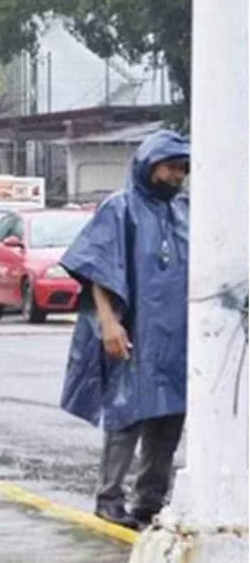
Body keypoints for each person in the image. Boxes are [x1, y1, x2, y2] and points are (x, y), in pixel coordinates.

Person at [59, 129, 190, 531]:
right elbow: (98, 267)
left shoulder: (183, 211)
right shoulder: (121, 208)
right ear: (150, 165)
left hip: (178, 333)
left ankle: (149, 501)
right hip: (136, 328)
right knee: (127, 410)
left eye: (183, 169)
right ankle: (109, 497)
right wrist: (109, 322)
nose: (177, 176)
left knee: (171, 414)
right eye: (170, 167)